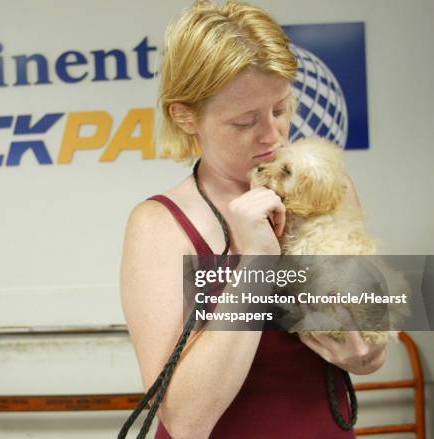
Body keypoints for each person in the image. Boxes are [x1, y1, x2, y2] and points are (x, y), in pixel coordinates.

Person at [119, 1, 388, 438]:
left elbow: (375, 344)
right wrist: (256, 260)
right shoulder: (159, 226)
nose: (271, 136)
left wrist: (365, 354)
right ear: (184, 116)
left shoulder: (330, 191)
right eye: (244, 121)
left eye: (280, 110)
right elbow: (185, 422)